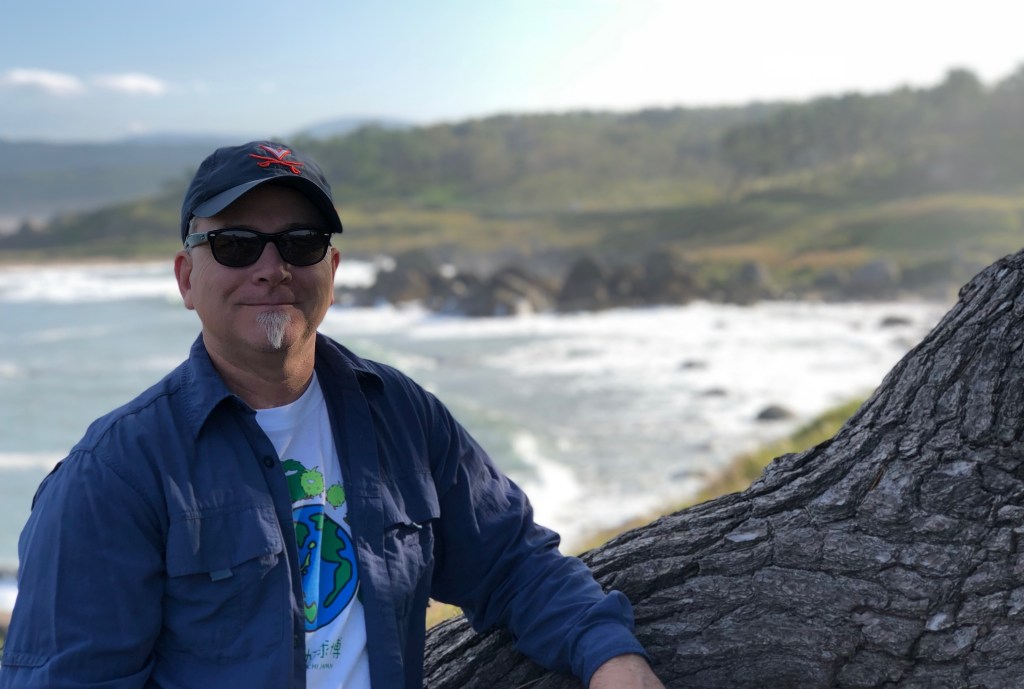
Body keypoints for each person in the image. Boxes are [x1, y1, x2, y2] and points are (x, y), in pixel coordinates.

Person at [0, 141, 665, 689]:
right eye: (235, 245)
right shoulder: (114, 474)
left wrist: (611, 657)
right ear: (185, 278)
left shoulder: (402, 416)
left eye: (300, 242)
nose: (272, 268)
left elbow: (513, 564)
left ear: (333, 269)